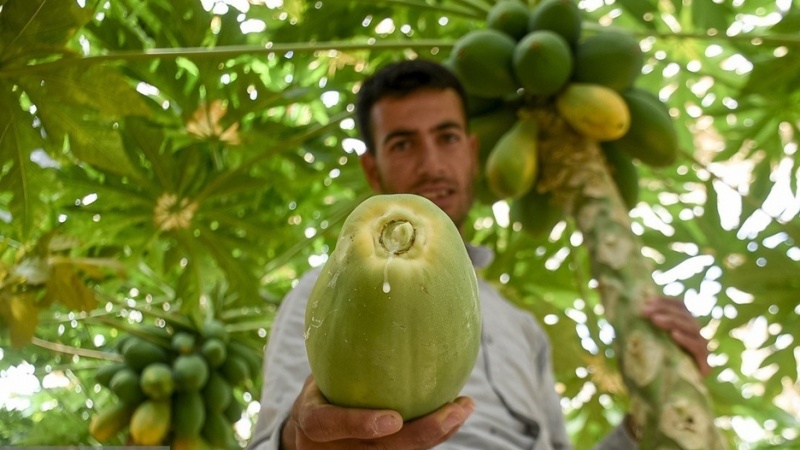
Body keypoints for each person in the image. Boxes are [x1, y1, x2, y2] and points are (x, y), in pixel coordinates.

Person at [248, 59, 711, 450]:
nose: (431, 163)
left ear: (471, 152)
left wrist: (653, 408)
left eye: (447, 137)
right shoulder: (323, 290)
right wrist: (298, 439)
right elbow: (275, 436)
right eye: (403, 144)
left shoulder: (523, 329)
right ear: (373, 169)